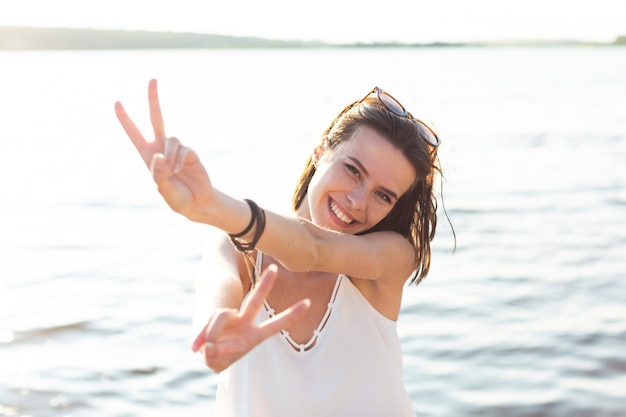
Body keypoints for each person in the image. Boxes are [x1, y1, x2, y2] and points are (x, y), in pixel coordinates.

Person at [115, 79, 449, 417]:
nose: (358, 201)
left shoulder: (389, 260)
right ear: (320, 151)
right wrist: (214, 334)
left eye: (383, 195)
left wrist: (209, 206)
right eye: (352, 170)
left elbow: (313, 249)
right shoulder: (236, 251)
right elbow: (218, 292)